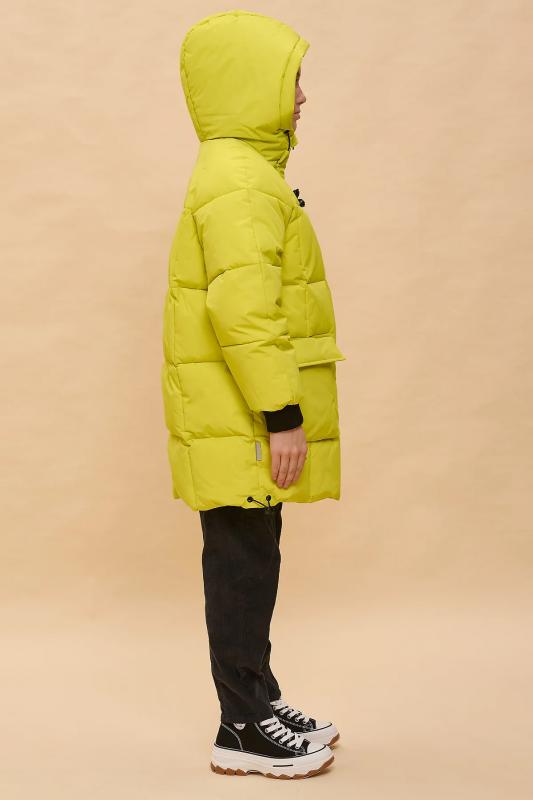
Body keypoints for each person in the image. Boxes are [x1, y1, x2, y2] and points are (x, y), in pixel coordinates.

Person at [161, 10, 346, 779]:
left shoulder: (240, 172)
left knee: (251, 556)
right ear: (247, 86)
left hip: (229, 415)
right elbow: (244, 312)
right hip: (239, 416)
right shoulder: (238, 182)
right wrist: (282, 415)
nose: (300, 96)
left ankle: (258, 699)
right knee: (241, 564)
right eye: (288, 80)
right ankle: (241, 726)